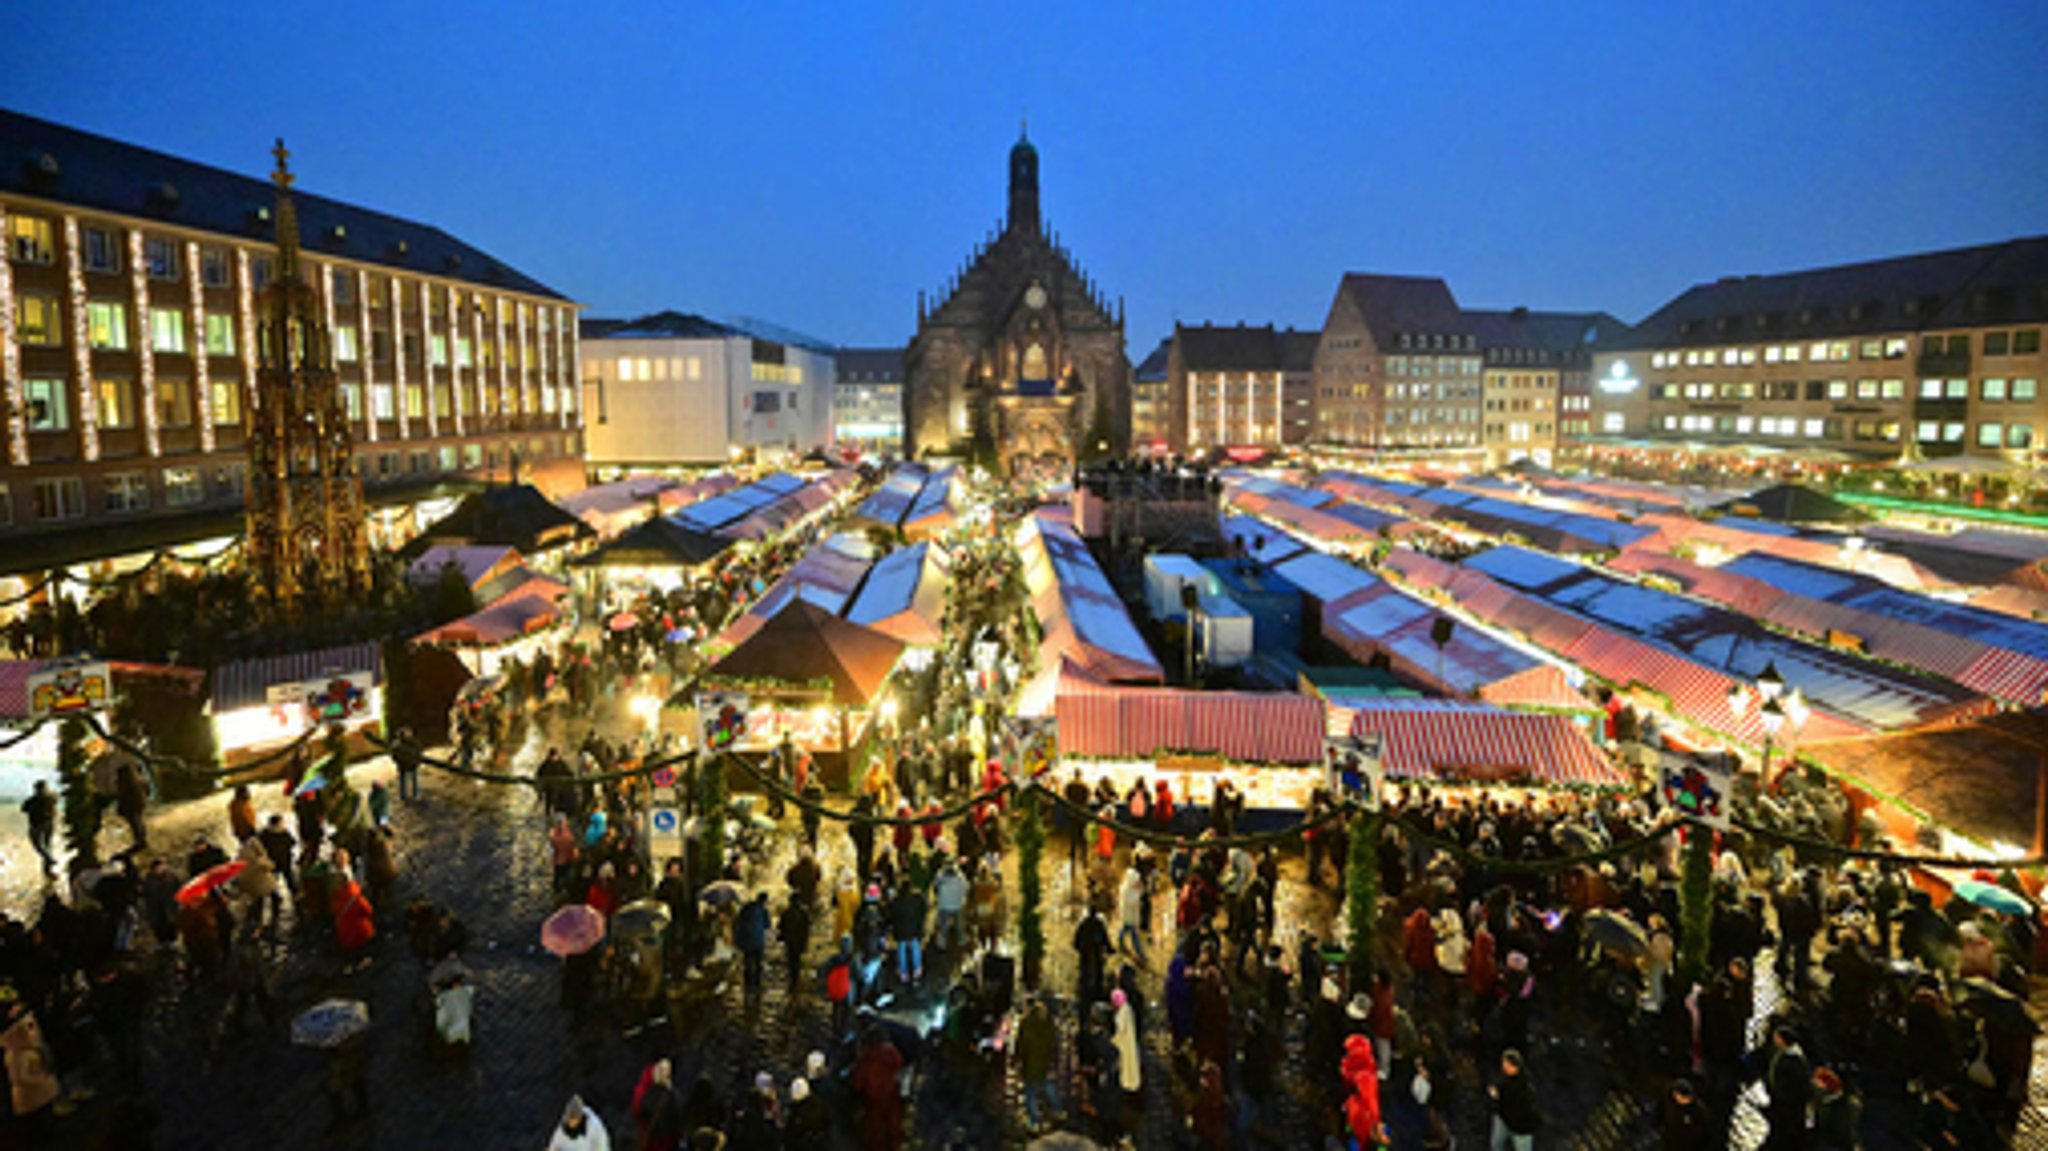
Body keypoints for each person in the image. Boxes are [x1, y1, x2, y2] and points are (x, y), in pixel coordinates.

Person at [851, 1024, 905, 1151]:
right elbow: (900, 1068)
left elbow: (858, 1083)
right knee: (894, 1128)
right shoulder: (893, 1054)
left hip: (873, 1102)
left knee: (874, 1133)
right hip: (892, 1097)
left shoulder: (867, 1059)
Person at [1015, 994, 1061, 1131]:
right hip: (1044, 1062)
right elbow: (1054, 1044)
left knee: (1030, 1092)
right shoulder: (1048, 1024)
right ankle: (1058, 1110)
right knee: (1047, 1086)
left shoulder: (1026, 1025)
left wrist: (1017, 1058)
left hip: (1030, 1063)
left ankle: (1034, 1120)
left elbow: (1021, 1045)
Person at [1489, 1048, 1542, 1151]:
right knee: (1496, 1145)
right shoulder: (1506, 1076)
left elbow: (1514, 1103)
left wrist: (1497, 1096)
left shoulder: (1524, 1086)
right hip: (1503, 1119)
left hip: (1520, 1128)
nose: (1504, 1066)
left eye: (1506, 1063)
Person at [631, 1059, 683, 1151]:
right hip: (664, 1138)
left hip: (655, 1137)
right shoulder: (671, 1093)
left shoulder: (647, 1091)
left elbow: (640, 1113)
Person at [735, 891, 771, 994]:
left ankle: (748, 982)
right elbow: (767, 925)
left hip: (747, 940)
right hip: (758, 940)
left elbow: (739, 923)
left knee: (747, 961)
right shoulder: (763, 911)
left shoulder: (746, 909)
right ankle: (757, 983)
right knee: (758, 961)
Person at [21, 780, 56, 874]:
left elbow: (23, 809)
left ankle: (49, 860)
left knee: (38, 845)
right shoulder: (51, 797)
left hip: (37, 825)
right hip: (49, 823)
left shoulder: (33, 800)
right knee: (47, 846)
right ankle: (48, 868)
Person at [778, 895, 812, 993]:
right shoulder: (804, 912)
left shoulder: (786, 913)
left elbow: (781, 926)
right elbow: (808, 926)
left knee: (791, 958)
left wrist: (782, 935)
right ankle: (795, 978)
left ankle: (792, 977)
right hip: (800, 940)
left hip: (790, 940)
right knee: (797, 959)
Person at [115, 760, 149, 848]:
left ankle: (140, 839)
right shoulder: (138, 780)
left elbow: (122, 795)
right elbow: (146, 789)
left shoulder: (124, 783)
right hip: (138, 803)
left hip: (131, 806)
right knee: (138, 821)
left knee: (135, 822)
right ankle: (141, 838)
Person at [392, 727, 422, 802]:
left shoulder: (413, 743)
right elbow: (395, 755)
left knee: (413, 780)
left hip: (411, 764)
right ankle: (404, 795)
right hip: (404, 765)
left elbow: (418, 752)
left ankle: (414, 794)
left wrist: (416, 761)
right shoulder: (398, 745)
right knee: (404, 781)